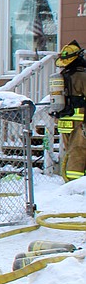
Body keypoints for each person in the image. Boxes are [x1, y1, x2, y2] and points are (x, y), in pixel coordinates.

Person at [56, 40, 86, 181]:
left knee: (68, 150)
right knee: (78, 151)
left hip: (64, 119)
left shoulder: (62, 76)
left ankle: (67, 178)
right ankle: (75, 184)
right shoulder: (82, 76)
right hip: (79, 121)